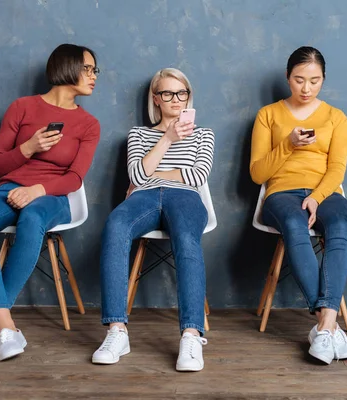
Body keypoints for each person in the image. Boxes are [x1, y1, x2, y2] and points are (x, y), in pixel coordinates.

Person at [0, 43, 100, 361]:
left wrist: (37, 190)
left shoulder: (88, 124)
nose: (94, 76)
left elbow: (75, 178)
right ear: (66, 68)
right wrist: (28, 147)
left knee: (32, 218)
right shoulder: (22, 107)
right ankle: (6, 327)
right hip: (9, 190)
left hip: (54, 198)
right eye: (88, 68)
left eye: (95, 70)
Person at [92, 68, 214, 372]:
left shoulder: (203, 134)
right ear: (156, 99)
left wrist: (152, 174)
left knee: (186, 238)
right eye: (168, 93)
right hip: (143, 199)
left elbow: (197, 176)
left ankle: (191, 335)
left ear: (189, 96)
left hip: (186, 197)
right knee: (115, 226)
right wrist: (167, 138)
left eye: (182, 92)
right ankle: (116, 332)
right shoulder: (138, 134)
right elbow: (135, 176)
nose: (176, 99)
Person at [250, 46, 347, 364]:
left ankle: (324, 327)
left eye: (314, 80)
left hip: (327, 194)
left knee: (339, 225)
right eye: (299, 80)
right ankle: (329, 323)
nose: (306, 88)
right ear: (287, 77)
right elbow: (258, 173)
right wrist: (288, 144)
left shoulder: (336, 118)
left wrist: (316, 197)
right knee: (294, 225)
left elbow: (337, 169)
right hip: (281, 194)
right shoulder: (268, 115)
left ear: (323, 79)